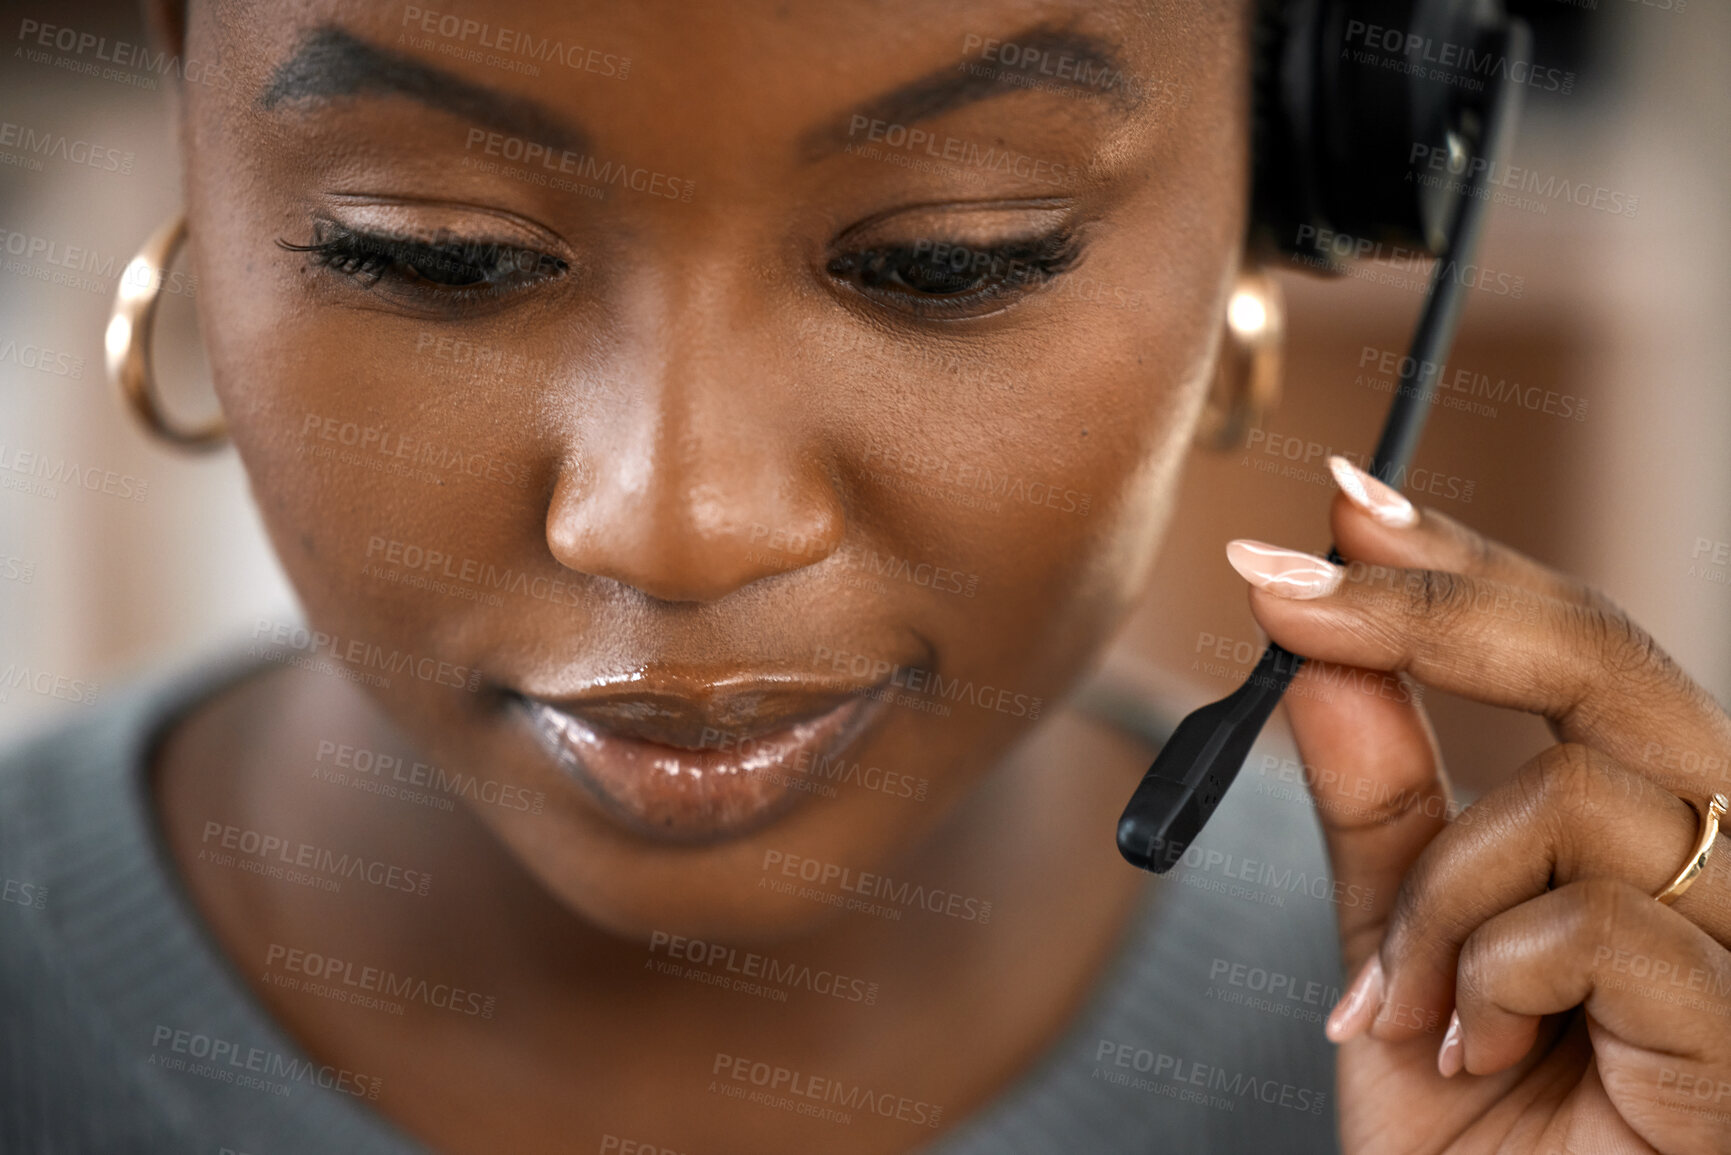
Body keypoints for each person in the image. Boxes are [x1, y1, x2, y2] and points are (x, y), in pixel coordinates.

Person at [4, 2, 1728, 1152]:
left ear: (1279, 185)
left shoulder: (1543, 1076)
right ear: (190, 116)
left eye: (945, 259)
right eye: (427, 249)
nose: (675, 528)